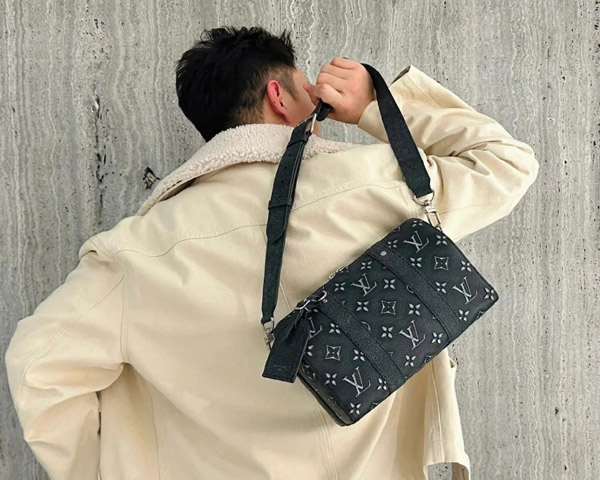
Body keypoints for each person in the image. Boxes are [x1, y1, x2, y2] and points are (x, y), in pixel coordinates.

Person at [5, 25, 539, 480]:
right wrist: (372, 106)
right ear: (279, 97)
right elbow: (506, 163)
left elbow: (37, 367)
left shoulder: (133, 252)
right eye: (310, 91)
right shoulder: (373, 186)